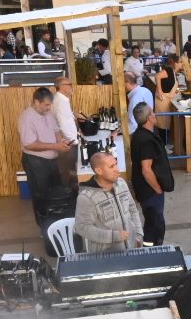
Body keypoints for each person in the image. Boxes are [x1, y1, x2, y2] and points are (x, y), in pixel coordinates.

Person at [19, 86, 76, 237]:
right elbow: (29, 144)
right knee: (41, 195)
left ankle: (56, 223)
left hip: (52, 161)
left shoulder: (48, 113)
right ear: (36, 102)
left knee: (56, 192)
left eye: (50, 105)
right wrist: (55, 146)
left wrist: (61, 142)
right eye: (46, 105)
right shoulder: (27, 118)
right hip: (35, 162)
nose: (49, 108)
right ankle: (44, 229)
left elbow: (56, 131)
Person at [74, 149, 145, 253]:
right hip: (106, 256)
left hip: (131, 249)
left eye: (116, 164)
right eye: (111, 166)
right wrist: (113, 236)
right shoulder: (86, 198)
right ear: (99, 171)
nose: (117, 169)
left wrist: (138, 236)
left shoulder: (122, 184)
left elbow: (132, 209)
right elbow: (82, 227)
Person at [130, 102, 173, 244]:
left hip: (145, 190)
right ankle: (153, 250)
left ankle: (152, 247)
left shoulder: (140, 135)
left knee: (152, 222)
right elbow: (146, 169)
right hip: (149, 191)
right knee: (155, 225)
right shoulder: (146, 140)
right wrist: (157, 189)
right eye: (153, 112)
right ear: (149, 118)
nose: (155, 115)